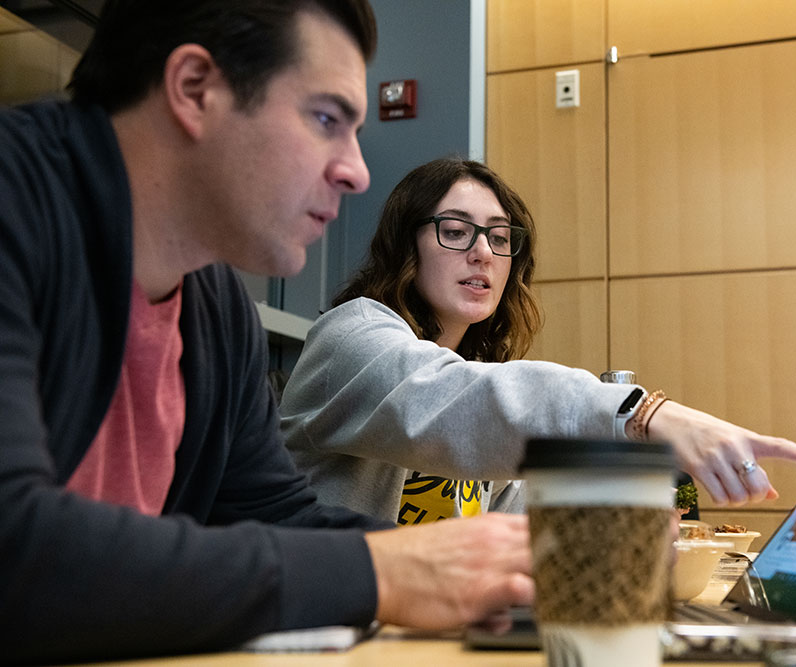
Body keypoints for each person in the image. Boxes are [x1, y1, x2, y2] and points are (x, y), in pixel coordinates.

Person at [0, 2, 533, 664]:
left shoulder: (214, 305)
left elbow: (276, 518)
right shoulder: (16, 202)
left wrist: (494, 570)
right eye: (325, 120)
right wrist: (384, 571)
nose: (357, 170)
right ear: (195, 89)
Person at [279, 158, 796, 525]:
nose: (483, 252)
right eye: (456, 229)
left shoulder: (470, 374)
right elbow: (461, 403)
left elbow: (524, 518)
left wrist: (638, 515)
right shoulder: (350, 340)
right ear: (405, 246)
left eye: (498, 236)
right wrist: (646, 415)